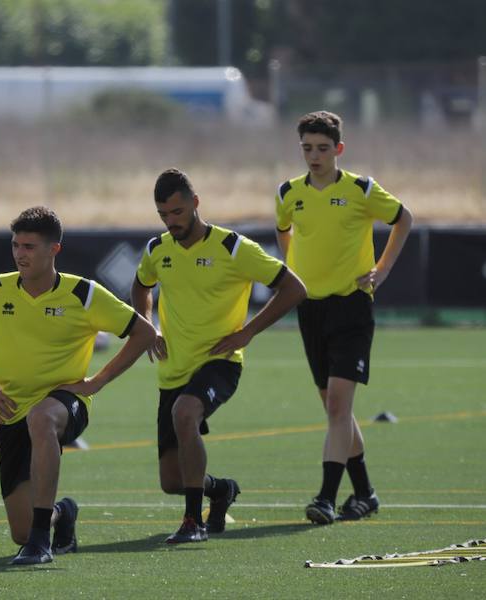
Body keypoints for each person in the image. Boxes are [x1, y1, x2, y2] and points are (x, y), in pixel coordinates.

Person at [0, 206, 155, 565]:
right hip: (10, 409)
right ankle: (59, 515)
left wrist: (98, 381)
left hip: (64, 403)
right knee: (19, 529)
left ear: (53, 250)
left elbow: (143, 332)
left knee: (42, 418)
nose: (19, 253)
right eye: (16, 245)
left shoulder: (84, 294)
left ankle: (41, 541)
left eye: (29, 246)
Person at [132, 169, 306, 543]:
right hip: (172, 369)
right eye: (163, 215)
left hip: (220, 362)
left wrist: (248, 332)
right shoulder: (157, 250)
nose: (171, 221)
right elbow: (140, 286)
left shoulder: (233, 248)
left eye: (177, 212)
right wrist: (148, 327)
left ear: (195, 204)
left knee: (185, 412)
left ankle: (193, 523)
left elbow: (294, 288)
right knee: (171, 481)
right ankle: (220, 490)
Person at [275, 111, 413, 525]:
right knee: (336, 409)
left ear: (338, 149)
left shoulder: (361, 189)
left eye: (321, 148)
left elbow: (404, 219)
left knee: (338, 405)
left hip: (351, 305)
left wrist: (382, 270)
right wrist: (293, 268)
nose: (313, 156)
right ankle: (366, 493)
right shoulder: (288, 193)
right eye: (306, 148)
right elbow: (283, 229)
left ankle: (326, 498)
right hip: (310, 309)